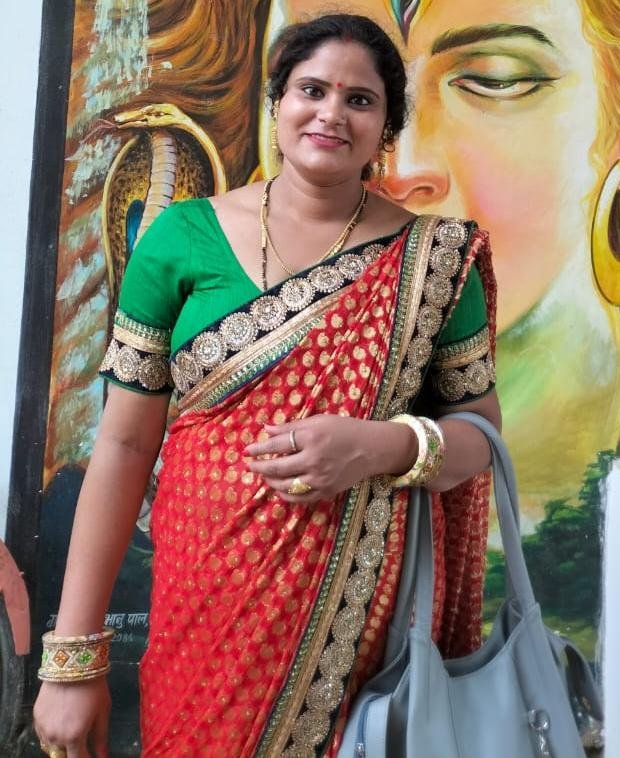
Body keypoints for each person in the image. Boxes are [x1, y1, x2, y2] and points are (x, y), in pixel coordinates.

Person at [33, 13, 500, 757]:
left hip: (359, 635)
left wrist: (380, 446)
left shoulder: (434, 259)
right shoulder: (181, 237)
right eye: (311, 90)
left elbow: (480, 435)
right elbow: (121, 448)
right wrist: (72, 661)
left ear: (386, 127)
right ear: (277, 103)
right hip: (201, 611)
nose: (330, 113)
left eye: (359, 99)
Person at [266, 0, 620, 524]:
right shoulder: (199, 246)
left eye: (496, 80)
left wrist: (388, 448)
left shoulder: (453, 256)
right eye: (310, 88)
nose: (400, 166)